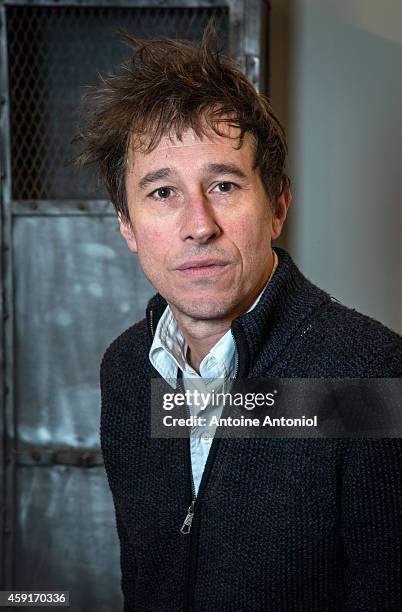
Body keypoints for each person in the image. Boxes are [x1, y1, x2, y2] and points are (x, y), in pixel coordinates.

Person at [76, 28, 402, 611]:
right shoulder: (126, 371)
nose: (198, 224)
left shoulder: (370, 376)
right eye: (161, 193)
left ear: (277, 205)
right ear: (126, 226)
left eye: (223, 185)